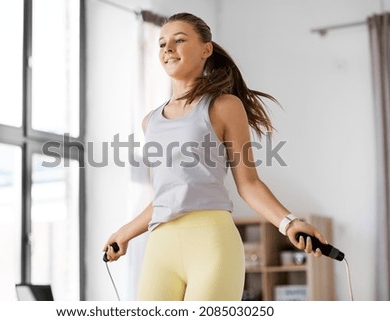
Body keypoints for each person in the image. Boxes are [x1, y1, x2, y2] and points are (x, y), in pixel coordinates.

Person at [103, 12, 327, 301]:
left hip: (211, 242)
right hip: (160, 245)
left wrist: (289, 223)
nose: (168, 49)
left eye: (179, 40)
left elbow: (248, 183)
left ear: (205, 49)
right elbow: (165, 197)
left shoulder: (224, 106)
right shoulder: (151, 121)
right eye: (162, 44)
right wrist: (124, 233)